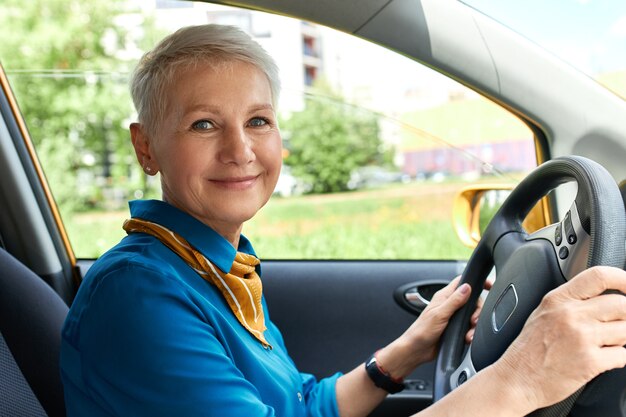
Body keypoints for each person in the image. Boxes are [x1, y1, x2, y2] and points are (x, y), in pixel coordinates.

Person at [59, 24, 626, 417]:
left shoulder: (212, 265)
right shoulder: (139, 294)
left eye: (258, 120)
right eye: (204, 124)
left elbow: (300, 408)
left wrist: (409, 349)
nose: (240, 149)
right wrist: (522, 376)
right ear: (146, 147)